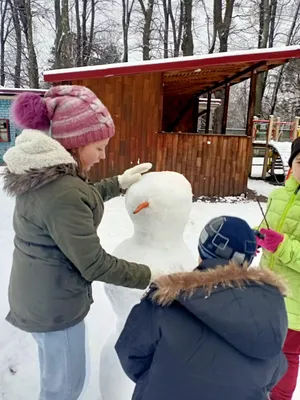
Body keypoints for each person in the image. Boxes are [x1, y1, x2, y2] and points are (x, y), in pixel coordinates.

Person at [2, 85, 157, 400]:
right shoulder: (62, 190)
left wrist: (118, 183)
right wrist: (150, 274)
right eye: (99, 147)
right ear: (74, 144)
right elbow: (94, 263)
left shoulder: (47, 176)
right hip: (54, 307)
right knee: (66, 387)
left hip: (39, 297)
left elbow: (77, 202)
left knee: (57, 378)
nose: (103, 155)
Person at [115, 216, 288, 400]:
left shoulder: (165, 300)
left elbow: (131, 355)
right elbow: (275, 369)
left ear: (202, 252)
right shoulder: (269, 308)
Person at [256, 136, 300, 400]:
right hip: (267, 290)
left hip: (296, 301)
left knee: (287, 355)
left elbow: (281, 242)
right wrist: (256, 236)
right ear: (292, 165)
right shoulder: (277, 196)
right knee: (263, 349)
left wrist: (282, 245)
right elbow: (267, 228)